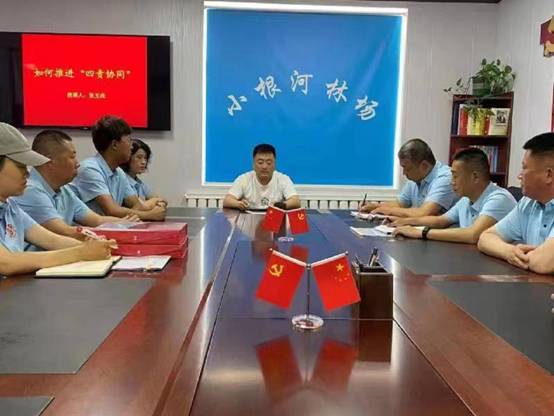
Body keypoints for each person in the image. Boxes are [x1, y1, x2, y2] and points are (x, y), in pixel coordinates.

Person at [0, 122, 115, 277]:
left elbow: (51, 240)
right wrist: (80, 252)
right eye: (20, 166)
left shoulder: (10, 206)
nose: (27, 173)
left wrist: (96, 247)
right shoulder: (31, 191)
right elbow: (6, 263)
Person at [15, 130, 139, 242]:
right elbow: (65, 232)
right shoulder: (31, 190)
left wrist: (127, 224)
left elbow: (96, 220)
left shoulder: (64, 190)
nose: (78, 163)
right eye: (72, 157)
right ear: (49, 160)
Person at [393, 148, 516, 243]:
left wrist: (422, 233)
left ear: (475, 176)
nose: (451, 181)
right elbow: (441, 221)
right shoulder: (466, 200)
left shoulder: (499, 199)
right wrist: (404, 222)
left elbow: (472, 235)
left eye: (455, 176)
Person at [478, 132, 554, 273]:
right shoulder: (528, 203)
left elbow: (544, 263)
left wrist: (528, 257)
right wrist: (510, 251)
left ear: (548, 175)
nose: (519, 175)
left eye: (524, 168)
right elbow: (485, 238)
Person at [69, 115, 166, 221]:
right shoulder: (90, 169)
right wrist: (150, 215)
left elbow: (137, 205)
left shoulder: (119, 172)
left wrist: (157, 205)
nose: (131, 146)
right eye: (129, 141)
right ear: (115, 144)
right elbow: (112, 210)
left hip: (110, 227)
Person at [361, 138, 457, 218]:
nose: (404, 173)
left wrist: (388, 211)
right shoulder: (416, 179)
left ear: (424, 165)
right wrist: (375, 206)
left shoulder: (445, 178)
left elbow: (423, 213)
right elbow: (400, 204)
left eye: (407, 168)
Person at [223, 143, 300, 210]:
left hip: (275, 219)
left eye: (269, 163)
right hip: (250, 220)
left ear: (274, 165)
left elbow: (296, 201)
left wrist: (280, 205)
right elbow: (227, 200)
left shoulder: (283, 179)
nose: (264, 166)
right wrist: (238, 204)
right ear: (253, 164)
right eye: (260, 162)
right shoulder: (244, 179)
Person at [120, 138, 166, 209]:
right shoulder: (122, 179)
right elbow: (140, 206)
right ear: (128, 158)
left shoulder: (138, 182)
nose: (143, 162)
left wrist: (157, 202)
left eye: (145, 158)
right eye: (139, 157)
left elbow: (163, 200)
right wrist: (155, 202)